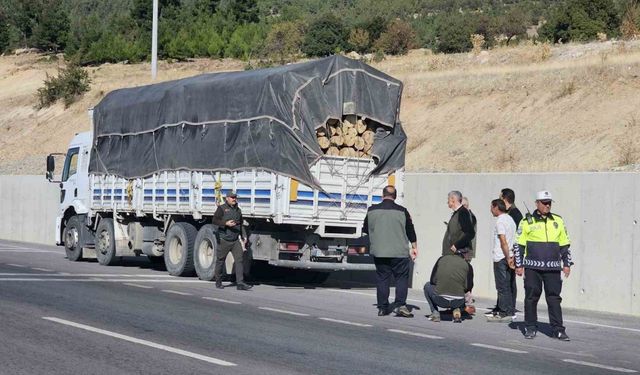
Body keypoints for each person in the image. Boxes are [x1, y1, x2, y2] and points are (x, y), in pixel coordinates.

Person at [514, 190, 573, 340]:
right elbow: (519, 245)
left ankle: (558, 329)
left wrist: (567, 264)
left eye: (549, 203)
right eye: (544, 203)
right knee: (531, 297)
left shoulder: (558, 220)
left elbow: (565, 245)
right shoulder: (526, 221)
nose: (547, 206)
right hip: (532, 267)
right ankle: (530, 327)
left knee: (554, 298)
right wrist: (519, 265)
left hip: (553, 268)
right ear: (537, 203)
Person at [363, 185, 418, 317]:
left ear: (383, 195)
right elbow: (410, 230)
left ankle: (382, 308)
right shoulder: (402, 211)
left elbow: (365, 229)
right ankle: (400, 305)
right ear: (395, 196)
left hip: (380, 251)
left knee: (383, 278)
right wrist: (414, 247)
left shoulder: (371, 211)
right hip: (399, 252)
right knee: (401, 278)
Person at [212, 191, 252, 291]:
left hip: (235, 240)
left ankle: (240, 283)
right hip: (224, 239)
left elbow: (240, 223)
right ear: (227, 198)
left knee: (239, 260)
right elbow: (215, 221)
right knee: (220, 260)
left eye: (235, 197)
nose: (234, 199)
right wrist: (225, 223)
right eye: (232, 197)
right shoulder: (221, 208)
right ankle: (218, 281)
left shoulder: (238, 210)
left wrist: (244, 236)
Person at [443, 191, 476, 313]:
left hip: (458, 254)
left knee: (457, 280)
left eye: (448, 199)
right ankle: (455, 306)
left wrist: (456, 245)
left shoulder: (462, 213)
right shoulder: (457, 213)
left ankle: (462, 307)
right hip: (453, 254)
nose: (447, 202)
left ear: (453, 199)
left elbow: (470, 233)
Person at [486, 199, 517, 323]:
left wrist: (508, 257)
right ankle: (509, 311)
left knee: (502, 286)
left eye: (491, 207)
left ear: (496, 207)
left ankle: (503, 312)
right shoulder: (510, 220)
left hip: (501, 257)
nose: (490, 210)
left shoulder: (500, 221)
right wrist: (512, 256)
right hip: (510, 256)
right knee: (508, 285)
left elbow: (503, 241)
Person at [423, 249, 474, 323]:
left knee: (427, 285)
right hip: (458, 301)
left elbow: (432, 280)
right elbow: (468, 287)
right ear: (464, 255)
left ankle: (435, 313)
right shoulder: (467, 265)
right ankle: (457, 309)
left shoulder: (441, 259)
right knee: (461, 291)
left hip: (440, 300)